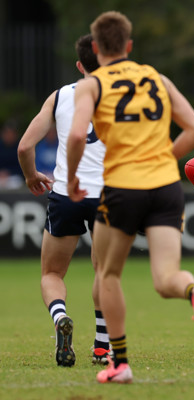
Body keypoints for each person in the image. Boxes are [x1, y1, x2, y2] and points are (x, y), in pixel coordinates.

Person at [66, 11, 194, 383]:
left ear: (97, 47)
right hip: (166, 188)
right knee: (167, 277)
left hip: (122, 188)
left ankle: (119, 363)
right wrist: (165, 157)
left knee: (107, 273)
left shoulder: (91, 85)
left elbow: (74, 137)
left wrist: (71, 179)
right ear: (130, 46)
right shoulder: (157, 77)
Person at [17, 34, 109, 367]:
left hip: (67, 194)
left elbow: (25, 147)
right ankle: (102, 346)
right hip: (109, 196)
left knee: (52, 273)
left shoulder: (61, 96)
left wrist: (30, 176)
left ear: (79, 65)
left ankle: (60, 318)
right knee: (105, 272)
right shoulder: (129, 98)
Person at [0, 120, 24, 189]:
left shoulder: (20, 147)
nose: (9, 135)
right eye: (7, 133)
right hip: (1, 176)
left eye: (11, 133)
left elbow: (22, 168)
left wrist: (9, 172)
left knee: (16, 183)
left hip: (14, 177)